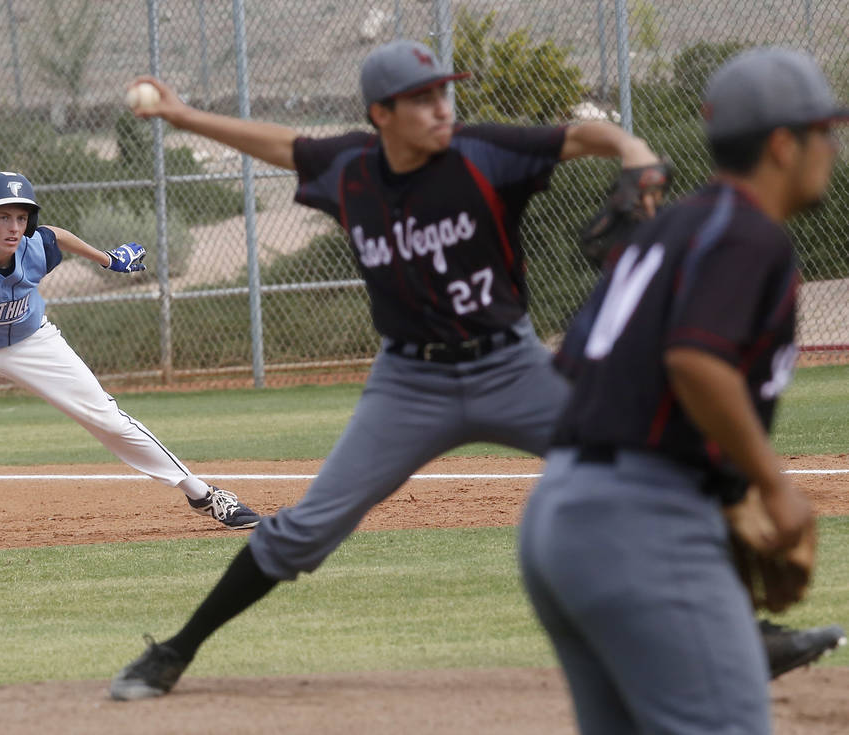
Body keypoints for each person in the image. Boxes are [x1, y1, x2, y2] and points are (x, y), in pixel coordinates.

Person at [107, 38, 667, 700]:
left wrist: (634, 152)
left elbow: (581, 135)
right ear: (381, 114)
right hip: (410, 384)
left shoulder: (483, 152)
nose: (440, 108)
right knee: (304, 530)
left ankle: (742, 629)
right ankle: (174, 651)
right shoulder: (350, 168)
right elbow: (283, 145)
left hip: (511, 367)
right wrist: (184, 116)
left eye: (442, 93)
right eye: (421, 99)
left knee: (642, 470)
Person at [518, 47, 846, 734]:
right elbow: (696, 362)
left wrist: (728, 502)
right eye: (826, 131)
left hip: (561, 517)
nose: (834, 147)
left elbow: (586, 373)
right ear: (784, 145)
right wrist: (777, 491)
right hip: (643, 525)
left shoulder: (667, 228)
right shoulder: (753, 237)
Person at [0, 171, 261, 550]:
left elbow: (60, 236)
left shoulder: (37, 246)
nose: (14, 227)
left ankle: (203, 495)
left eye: (22, 217)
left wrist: (106, 259)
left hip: (28, 339)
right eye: (3, 216)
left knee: (104, 415)